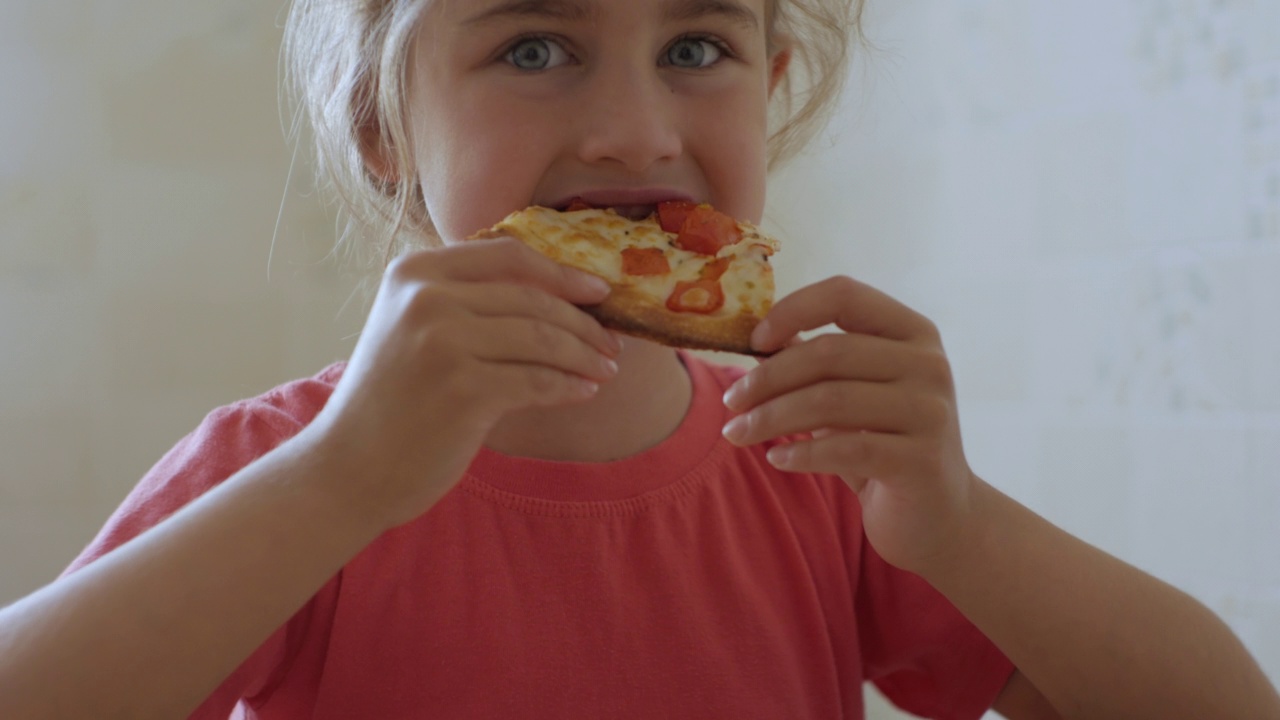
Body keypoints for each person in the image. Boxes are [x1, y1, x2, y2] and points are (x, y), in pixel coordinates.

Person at [1, 0, 1277, 718]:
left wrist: (955, 525)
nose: (632, 129)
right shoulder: (292, 467)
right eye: (534, 49)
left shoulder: (811, 459)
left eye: (694, 49)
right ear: (381, 129)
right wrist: (338, 487)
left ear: (767, 91)